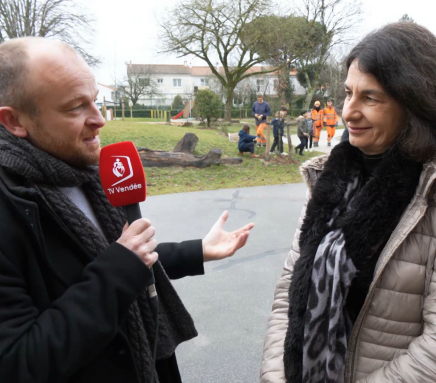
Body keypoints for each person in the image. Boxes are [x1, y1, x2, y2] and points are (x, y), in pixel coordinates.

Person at [0, 37, 255, 383]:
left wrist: (198, 251)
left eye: (95, 99)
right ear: (15, 121)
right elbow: (18, 363)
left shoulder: (88, 172)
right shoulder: (11, 208)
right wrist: (119, 267)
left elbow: (126, 258)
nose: (99, 119)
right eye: (76, 107)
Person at [261, 22, 436, 383]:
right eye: (347, 93)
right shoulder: (328, 186)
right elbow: (286, 302)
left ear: (415, 105)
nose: (348, 111)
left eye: (369, 98)